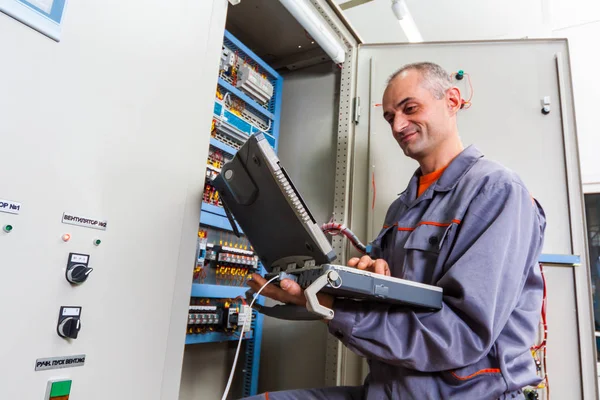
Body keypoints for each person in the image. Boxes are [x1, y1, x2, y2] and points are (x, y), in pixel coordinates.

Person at [244, 62, 546, 400]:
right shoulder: (401, 208)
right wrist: (319, 289)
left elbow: (460, 335)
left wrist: (333, 307)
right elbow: (385, 302)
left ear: (452, 100)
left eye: (410, 108)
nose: (398, 125)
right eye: (390, 117)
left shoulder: (496, 191)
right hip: (390, 391)